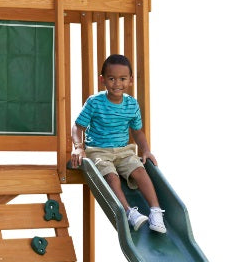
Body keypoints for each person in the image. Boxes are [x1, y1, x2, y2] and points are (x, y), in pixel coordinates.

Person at [70, 54, 166, 234]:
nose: (117, 83)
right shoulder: (94, 102)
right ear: (102, 80)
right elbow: (78, 126)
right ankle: (129, 212)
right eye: (111, 78)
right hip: (98, 150)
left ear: (130, 81)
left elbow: (137, 131)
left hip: (124, 151)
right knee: (111, 176)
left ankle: (155, 211)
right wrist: (78, 147)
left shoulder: (132, 104)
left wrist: (145, 150)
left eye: (122, 79)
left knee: (140, 171)